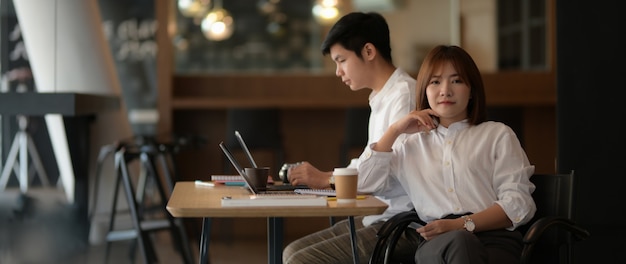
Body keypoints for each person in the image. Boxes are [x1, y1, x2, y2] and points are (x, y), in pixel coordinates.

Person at [358, 45, 537, 263]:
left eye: (457, 81)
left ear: (471, 90)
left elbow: (518, 203)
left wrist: (461, 225)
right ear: (425, 89)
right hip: (437, 244)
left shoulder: (497, 135)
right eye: (435, 82)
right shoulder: (409, 145)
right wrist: (394, 130)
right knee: (460, 243)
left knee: (463, 242)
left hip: (495, 241)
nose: (445, 90)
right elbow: (364, 185)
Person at [283, 12, 419, 264]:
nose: (338, 72)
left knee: (300, 260)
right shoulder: (383, 96)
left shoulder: (404, 96)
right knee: (291, 252)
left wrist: (326, 179)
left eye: (341, 60)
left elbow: (381, 178)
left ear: (368, 51)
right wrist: (325, 179)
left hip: (404, 222)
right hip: (381, 215)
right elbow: (370, 163)